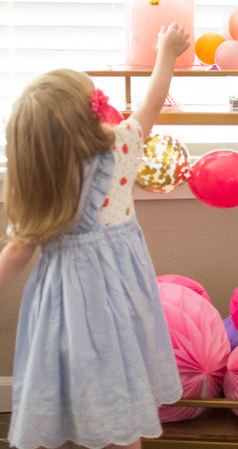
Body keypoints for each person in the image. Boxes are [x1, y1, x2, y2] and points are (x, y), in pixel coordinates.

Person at [0, 22, 190, 449]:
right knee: (118, 397)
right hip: (122, 301)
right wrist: (167, 52)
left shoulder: (44, 179)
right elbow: (152, 103)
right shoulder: (123, 144)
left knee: (68, 392)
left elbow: (16, 255)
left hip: (65, 307)